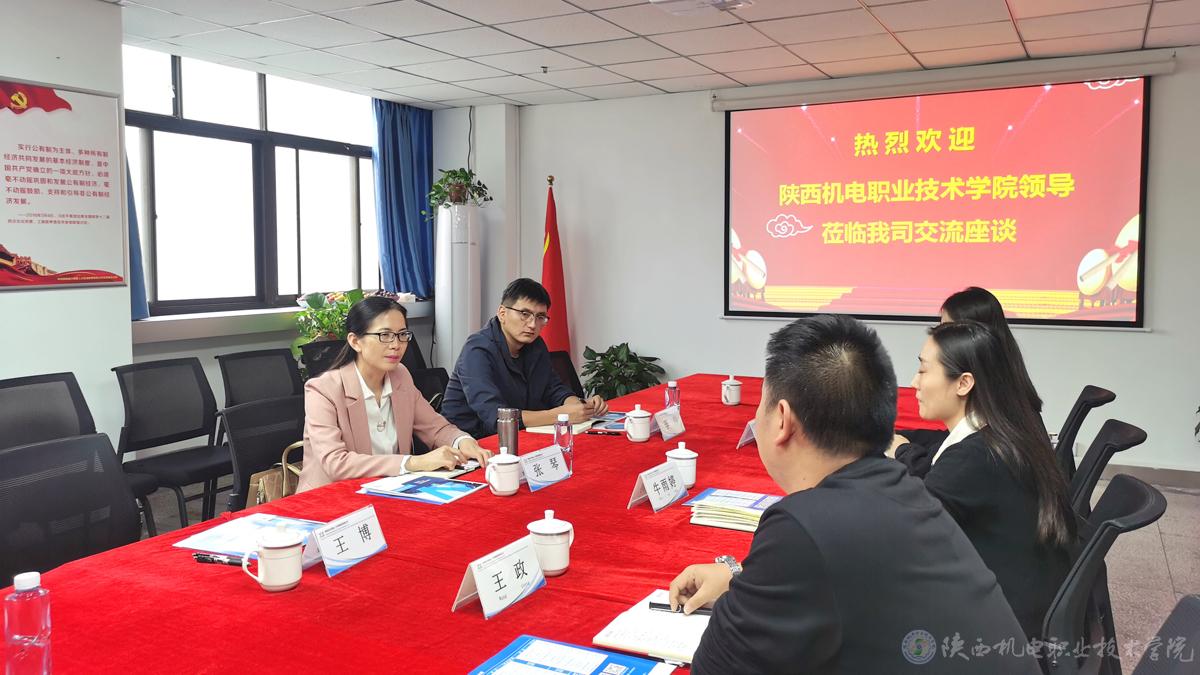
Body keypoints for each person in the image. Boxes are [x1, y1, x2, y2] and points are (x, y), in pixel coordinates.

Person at [669, 315, 1038, 674]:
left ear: (782, 418)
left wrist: (743, 589)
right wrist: (741, 579)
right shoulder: (901, 486)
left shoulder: (802, 526)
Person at [904, 320, 1074, 640]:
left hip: (1003, 629)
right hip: (1027, 601)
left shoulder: (974, 458)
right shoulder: (1003, 432)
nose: (914, 382)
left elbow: (906, 534)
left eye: (923, 370)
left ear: (964, 383)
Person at [297, 296, 491, 493]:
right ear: (355, 341)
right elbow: (336, 463)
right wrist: (413, 462)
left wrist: (462, 441)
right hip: (331, 498)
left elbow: (435, 428)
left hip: (389, 491)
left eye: (402, 335)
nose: (396, 344)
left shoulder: (400, 376)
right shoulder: (322, 390)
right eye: (385, 335)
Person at [892, 286, 1044, 472]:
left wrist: (902, 450)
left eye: (948, 329)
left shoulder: (977, 448)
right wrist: (899, 438)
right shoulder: (1003, 392)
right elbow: (945, 440)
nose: (914, 383)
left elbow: (939, 468)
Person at [441, 278, 607, 438]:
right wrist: (559, 415)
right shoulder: (477, 350)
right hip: (470, 442)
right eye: (525, 314)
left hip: (518, 436)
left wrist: (579, 406)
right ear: (502, 313)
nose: (533, 324)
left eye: (540, 317)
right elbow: (496, 418)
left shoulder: (536, 345)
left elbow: (553, 389)